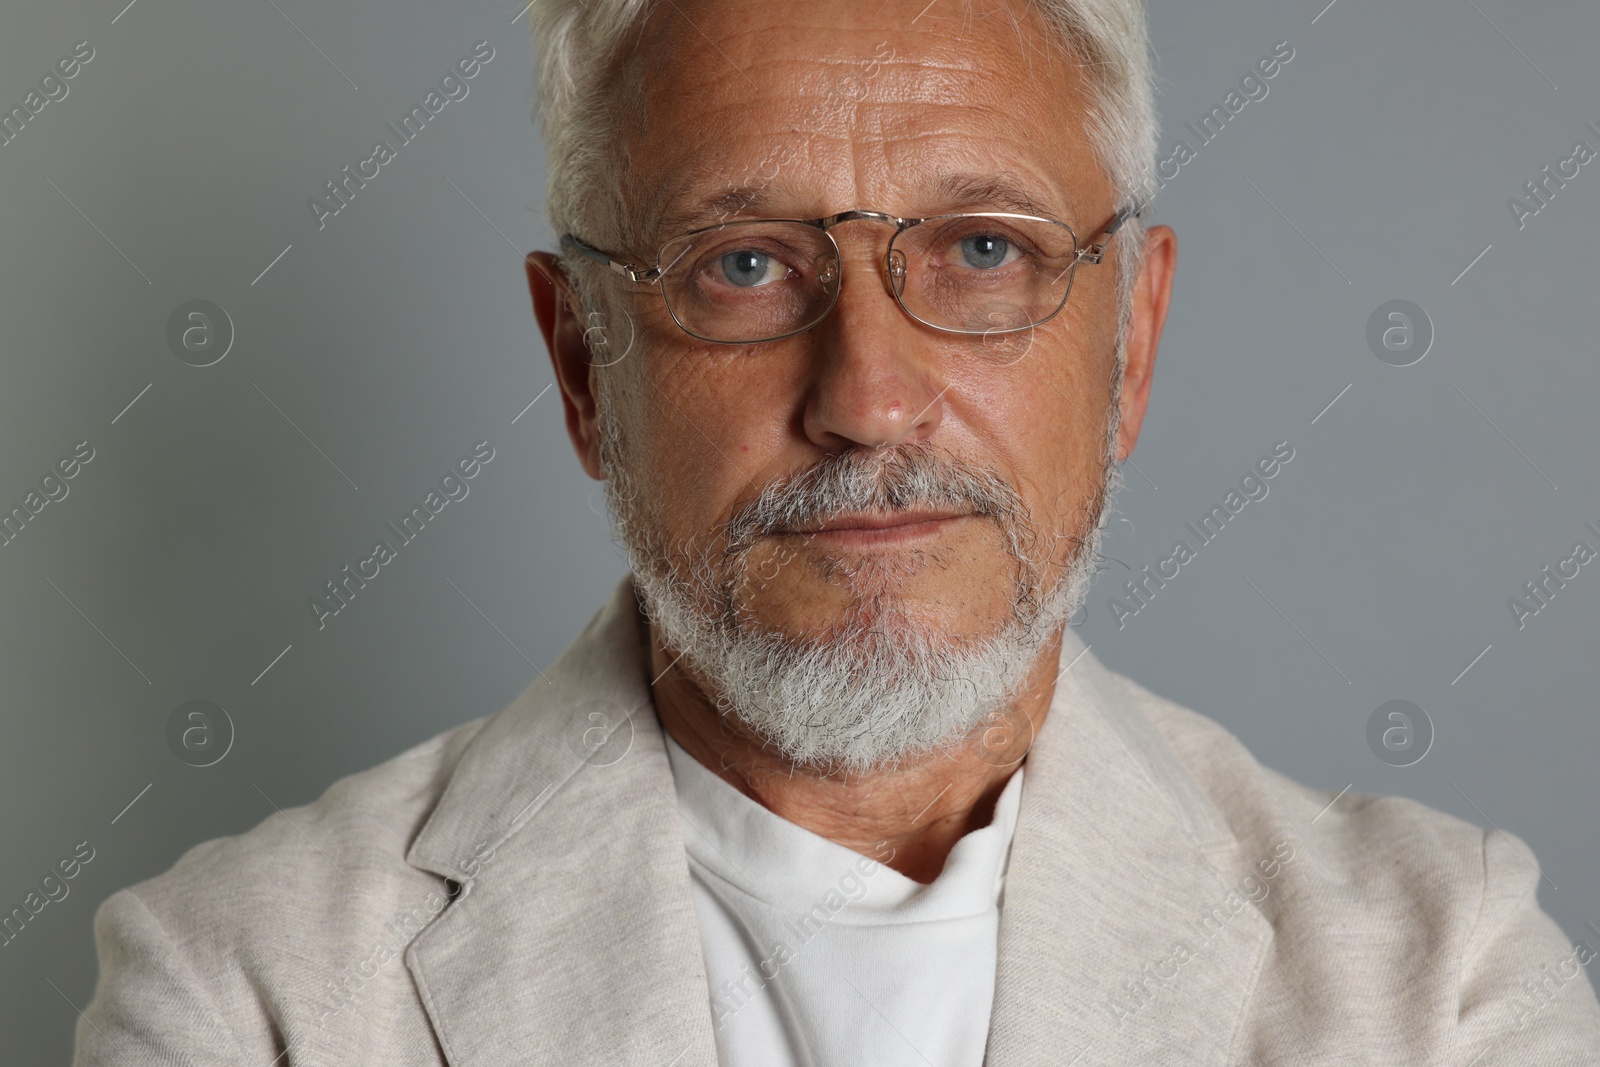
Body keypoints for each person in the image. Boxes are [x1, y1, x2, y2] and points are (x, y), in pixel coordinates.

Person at [74, 0, 1600, 1063]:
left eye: (984, 249)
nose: (870, 399)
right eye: (742, 264)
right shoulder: (248, 993)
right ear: (581, 362)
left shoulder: (1439, 978)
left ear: (1131, 340)